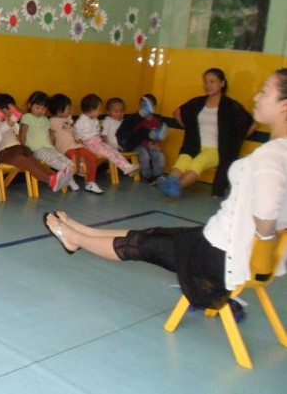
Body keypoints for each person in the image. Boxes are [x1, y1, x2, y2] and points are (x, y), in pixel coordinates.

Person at [43, 69, 287, 311]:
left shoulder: (270, 157)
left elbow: (266, 218)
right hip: (223, 242)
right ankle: (84, 231)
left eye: (265, 92)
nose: (256, 97)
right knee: (155, 233)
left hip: (223, 255)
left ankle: (75, 239)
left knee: (140, 245)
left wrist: (261, 263)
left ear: (284, 106)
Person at [159, 68, 254, 198]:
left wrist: (237, 140)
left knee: (197, 163)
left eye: (212, 82)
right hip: (195, 146)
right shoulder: (198, 102)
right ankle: (169, 183)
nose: (208, 85)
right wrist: (190, 129)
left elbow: (252, 122)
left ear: (222, 83)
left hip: (215, 150)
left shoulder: (230, 105)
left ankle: (176, 187)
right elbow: (177, 113)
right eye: (206, 82)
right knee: (182, 161)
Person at [0, 93, 71, 192]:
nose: (7, 113)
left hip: (19, 148)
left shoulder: (13, 124)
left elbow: (20, 133)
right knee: (28, 164)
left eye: (10, 110)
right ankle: (50, 180)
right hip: (5, 152)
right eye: (4, 110)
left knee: (35, 162)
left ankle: (57, 176)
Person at [19, 91, 79, 191]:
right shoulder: (27, 117)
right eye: (37, 107)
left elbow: (49, 135)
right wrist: (23, 148)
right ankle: (68, 180)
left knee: (66, 161)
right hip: (36, 149)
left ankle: (69, 178)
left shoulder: (45, 120)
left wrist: (52, 147)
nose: (40, 111)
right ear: (29, 105)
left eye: (43, 108)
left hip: (48, 146)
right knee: (55, 161)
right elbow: (23, 133)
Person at [48, 94, 103, 194]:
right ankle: (72, 176)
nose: (71, 110)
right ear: (59, 110)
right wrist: (51, 149)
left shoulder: (68, 118)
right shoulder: (52, 121)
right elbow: (51, 135)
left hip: (76, 144)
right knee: (75, 159)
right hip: (65, 147)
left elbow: (71, 120)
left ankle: (90, 183)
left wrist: (69, 112)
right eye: (68, 108)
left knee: (91, 157)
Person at [73, 94, 139, 178]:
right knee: (110, 154)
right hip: (90, 145)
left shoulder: (95, 120)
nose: (100, 112)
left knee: (114, 151)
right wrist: (83, 147)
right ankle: (124, 167)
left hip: (99, 143)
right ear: (91, 109)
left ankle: (127, 166)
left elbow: (98, 133)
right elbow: (77, 136)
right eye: (98, 109)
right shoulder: (80, 122)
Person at [117, 94, 168, 184]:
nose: (119, 113)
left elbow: (134, 133)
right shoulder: (110, 121)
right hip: (134, 144)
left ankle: (157, 175)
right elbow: (134, 135)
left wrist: (156, 143)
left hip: (134, 142)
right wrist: (146, 144)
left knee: (159, 154)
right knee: (144, 154)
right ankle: (148, 176)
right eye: (143, 106)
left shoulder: (155, 121)